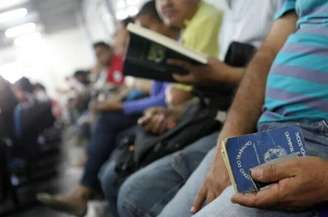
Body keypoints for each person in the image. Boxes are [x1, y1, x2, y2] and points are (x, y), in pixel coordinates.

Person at [150, 1, 328, 217]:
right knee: (135, 195)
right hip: (264, 126)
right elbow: (267, 53)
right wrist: (228, 141)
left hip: (318, 140)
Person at [115, 1, 282, 217]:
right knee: (128, 182)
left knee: (132, 193)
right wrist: (180, 110)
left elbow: (260, 74)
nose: (165, 3)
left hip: (245, 118)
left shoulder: (215, 17)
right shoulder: (227, 15)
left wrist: (226, 144)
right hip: (222, 113)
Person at [36, 1, 176, 217]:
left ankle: (86, 188)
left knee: (106, 126)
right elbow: (153, 92)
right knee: (101, 125)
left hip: (161, 115)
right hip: (154, 111)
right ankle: (88, 185)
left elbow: (163, 98)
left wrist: (122, 104)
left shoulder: (161, 54)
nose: (118, 40)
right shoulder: (154, 55)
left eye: (145, 30)